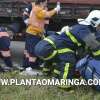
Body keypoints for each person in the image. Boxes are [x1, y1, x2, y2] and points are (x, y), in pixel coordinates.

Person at [34, 10, 100, 88]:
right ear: (94, 22)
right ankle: (64, 86)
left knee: (62, 61)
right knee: (69, 62)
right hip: (63, 46)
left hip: (61, 45)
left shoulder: (84, 28)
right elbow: (94, 47)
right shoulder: (84, 30)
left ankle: (56, 77)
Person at [21, 0, 61, 75]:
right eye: (45, 1)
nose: (46, 3)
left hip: (34, 33)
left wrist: (42, 32)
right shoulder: (38, 9)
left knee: (31, 51)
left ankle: (29, 67)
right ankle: (30, 69)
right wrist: (56, 9)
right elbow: (47, 15)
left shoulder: (38, 8)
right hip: (33, 33)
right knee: (32, 52)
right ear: (41, 2)